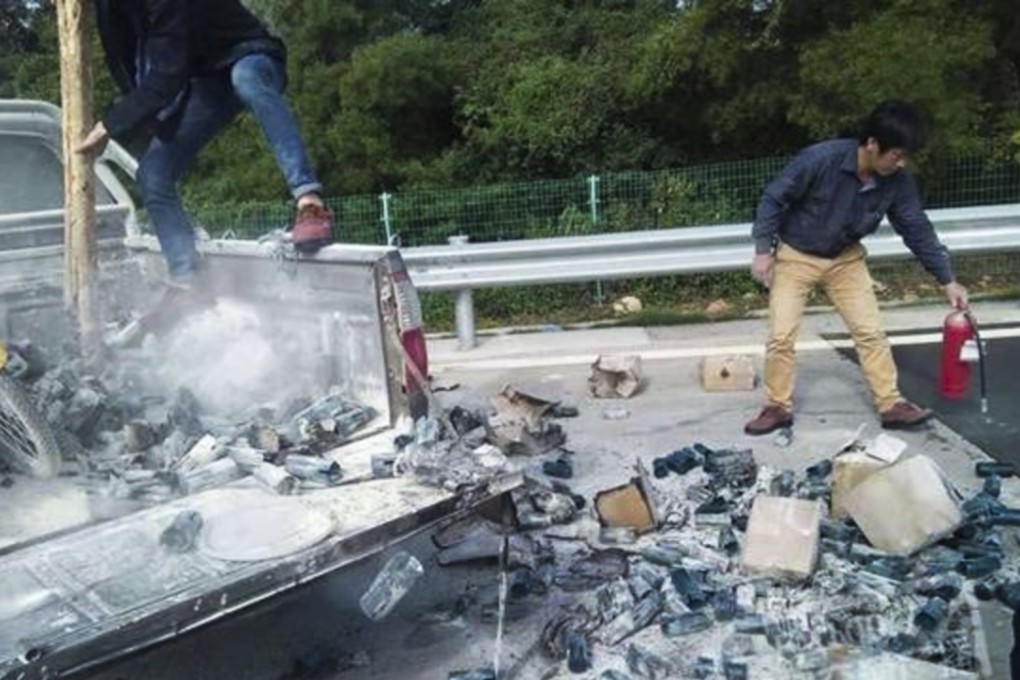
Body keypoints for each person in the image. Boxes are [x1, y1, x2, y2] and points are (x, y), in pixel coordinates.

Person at [76, 0, 333, 324]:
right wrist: (142, 117)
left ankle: (310, 202)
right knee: (153, 173)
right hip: (203, 81)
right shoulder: (109, 8)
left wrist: (111, 124)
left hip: (248, 53)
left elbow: (169, 72)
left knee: (247, 80)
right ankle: (188, 280)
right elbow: (127, 63)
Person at [744, 100, 969, 436]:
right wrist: (763, 250)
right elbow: (774, 198)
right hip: (796, 256)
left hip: (846, 259)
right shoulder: (821, 160)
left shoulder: (897, 181)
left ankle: (891, 404)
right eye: (896, 154)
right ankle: (777, 407)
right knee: (781, 336)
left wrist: (947, 280)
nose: (901, 162)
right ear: (873, 144)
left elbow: (916, 228)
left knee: (871, 333)